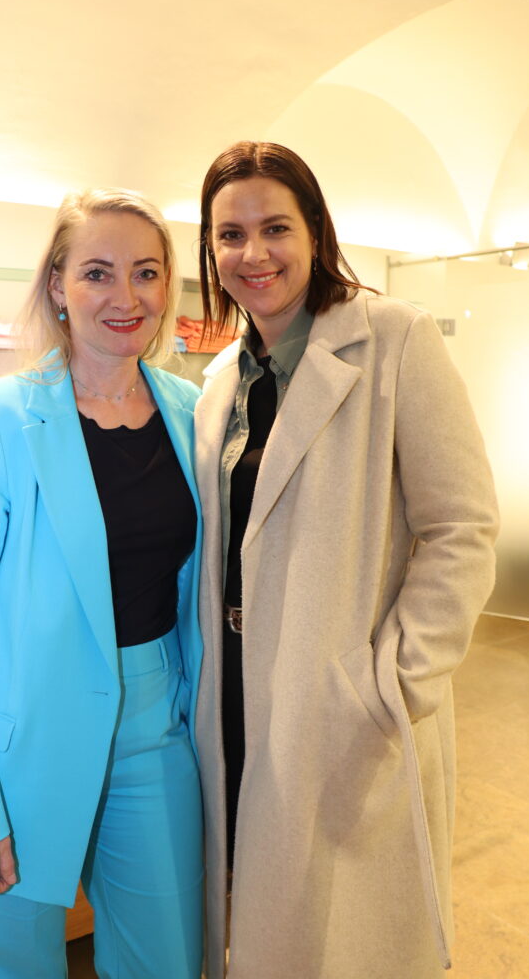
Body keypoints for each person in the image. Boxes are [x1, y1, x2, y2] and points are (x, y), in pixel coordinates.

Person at [193, 141, 499, 979]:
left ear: (316, 230)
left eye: (274, 227)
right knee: (265, 924)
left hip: (341, 695)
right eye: (229, 234)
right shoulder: (221, 376)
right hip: (238, 691)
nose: (252, 254)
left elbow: (462, 528)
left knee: (352, 938)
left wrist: (388, 682)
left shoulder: (391, 338)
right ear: (209, 250)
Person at [0, 189, 204, 979]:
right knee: (21, 965)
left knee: (166, 961)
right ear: (57, 286)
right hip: (23, 745)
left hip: (157, 729)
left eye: (146, 273)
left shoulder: (192, 411)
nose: (125, 297)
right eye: (97, 273)